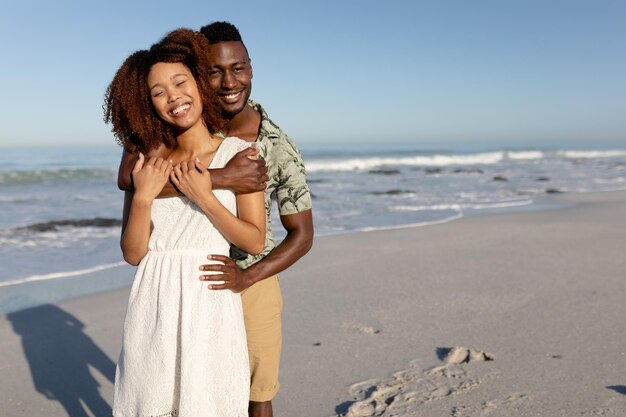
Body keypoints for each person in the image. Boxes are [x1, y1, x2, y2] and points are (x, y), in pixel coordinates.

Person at [118, 22, 314, 417]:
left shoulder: (269, 143)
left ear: (251, 68)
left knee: (251, 393)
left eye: (238, 68)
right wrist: (218, 180)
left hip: (248, 277)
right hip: (170, 289)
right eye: (215, 71)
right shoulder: (165, 134)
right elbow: (129, 180)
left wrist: (246, 276)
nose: (228, 82)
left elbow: (301, 235)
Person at [104, 29, 266, 417]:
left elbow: (255, 240)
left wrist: (206, 196)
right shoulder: (148, 164)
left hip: (209, 297)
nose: (173, 96)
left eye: (180, 82)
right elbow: (132, 253)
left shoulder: (239, 154)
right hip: (153, 298)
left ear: (198, 83)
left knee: (210, 402)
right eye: (158, 92)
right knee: (152, 401)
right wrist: (143, 196)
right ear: (148, 103)